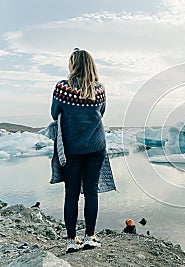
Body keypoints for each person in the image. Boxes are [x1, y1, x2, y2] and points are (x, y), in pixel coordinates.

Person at [51, 48, 107, 253]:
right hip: (95, 147)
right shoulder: (99, 89)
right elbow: (101, 113)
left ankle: (71, 241)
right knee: (91, 192)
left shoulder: (62, 88)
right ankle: (90, 237)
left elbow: (54, 112)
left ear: (73, 65)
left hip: (71, 149)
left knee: (71, 194)